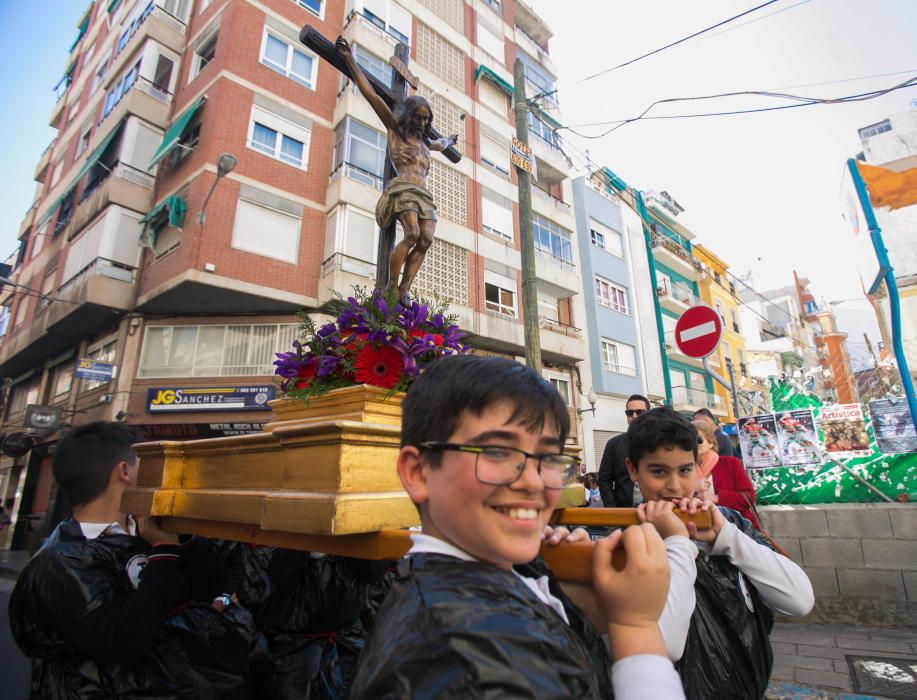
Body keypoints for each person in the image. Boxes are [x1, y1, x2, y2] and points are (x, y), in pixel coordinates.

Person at [349, 355, 685, 698]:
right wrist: (635, 629)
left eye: (549, 458)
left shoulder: (494, 583)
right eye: (497, 452)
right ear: (419, 472)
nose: (533, 482)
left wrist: (592, 616)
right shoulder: (463, 661)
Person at [9, 421, 251, 698]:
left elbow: (208, 587)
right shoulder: (60, 560)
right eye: (143, 463)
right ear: (124, 471)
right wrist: (162, 550)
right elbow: (123, 642)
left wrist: (180, 538)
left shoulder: (145, 531)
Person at [625, 408, 814, 699]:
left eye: (685, 470)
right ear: (632, 470)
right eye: (659, 471)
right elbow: (665, 645)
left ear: (697, 467)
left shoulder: (725, 523)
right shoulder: (629, 540)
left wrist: (727, 538)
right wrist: (678, 542)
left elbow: (799, 600)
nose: (674, 486)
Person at [335, 36, 458, 303]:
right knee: (411, 234)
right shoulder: (396, 130)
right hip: (403, 187)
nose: (422, 123)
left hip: (424, 195)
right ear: (410, 114)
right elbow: (372, 96)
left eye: (426, 119)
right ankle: (391, 286)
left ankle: (404, 289)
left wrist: (450, 140)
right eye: (418, 117)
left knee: (425, 239)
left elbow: (443, 143)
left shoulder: (427, 143)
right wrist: (349, 60)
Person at [694, 420, 762, 529]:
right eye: (689, 441)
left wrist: (717, 498)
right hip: (701, 530)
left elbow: (748, 498)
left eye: (698, 440)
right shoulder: (685, 470)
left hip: (738, 529)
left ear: (711, 443)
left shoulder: (730, 464)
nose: (694, 444)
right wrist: (691, 487)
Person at [598, 394, 651, 507]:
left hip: (654, 510)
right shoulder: (614, 444)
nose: (634, 416)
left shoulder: (659, 442)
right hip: (623, 512)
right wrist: (613, 512)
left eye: (640, 412)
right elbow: (604, 480)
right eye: (630, 413)